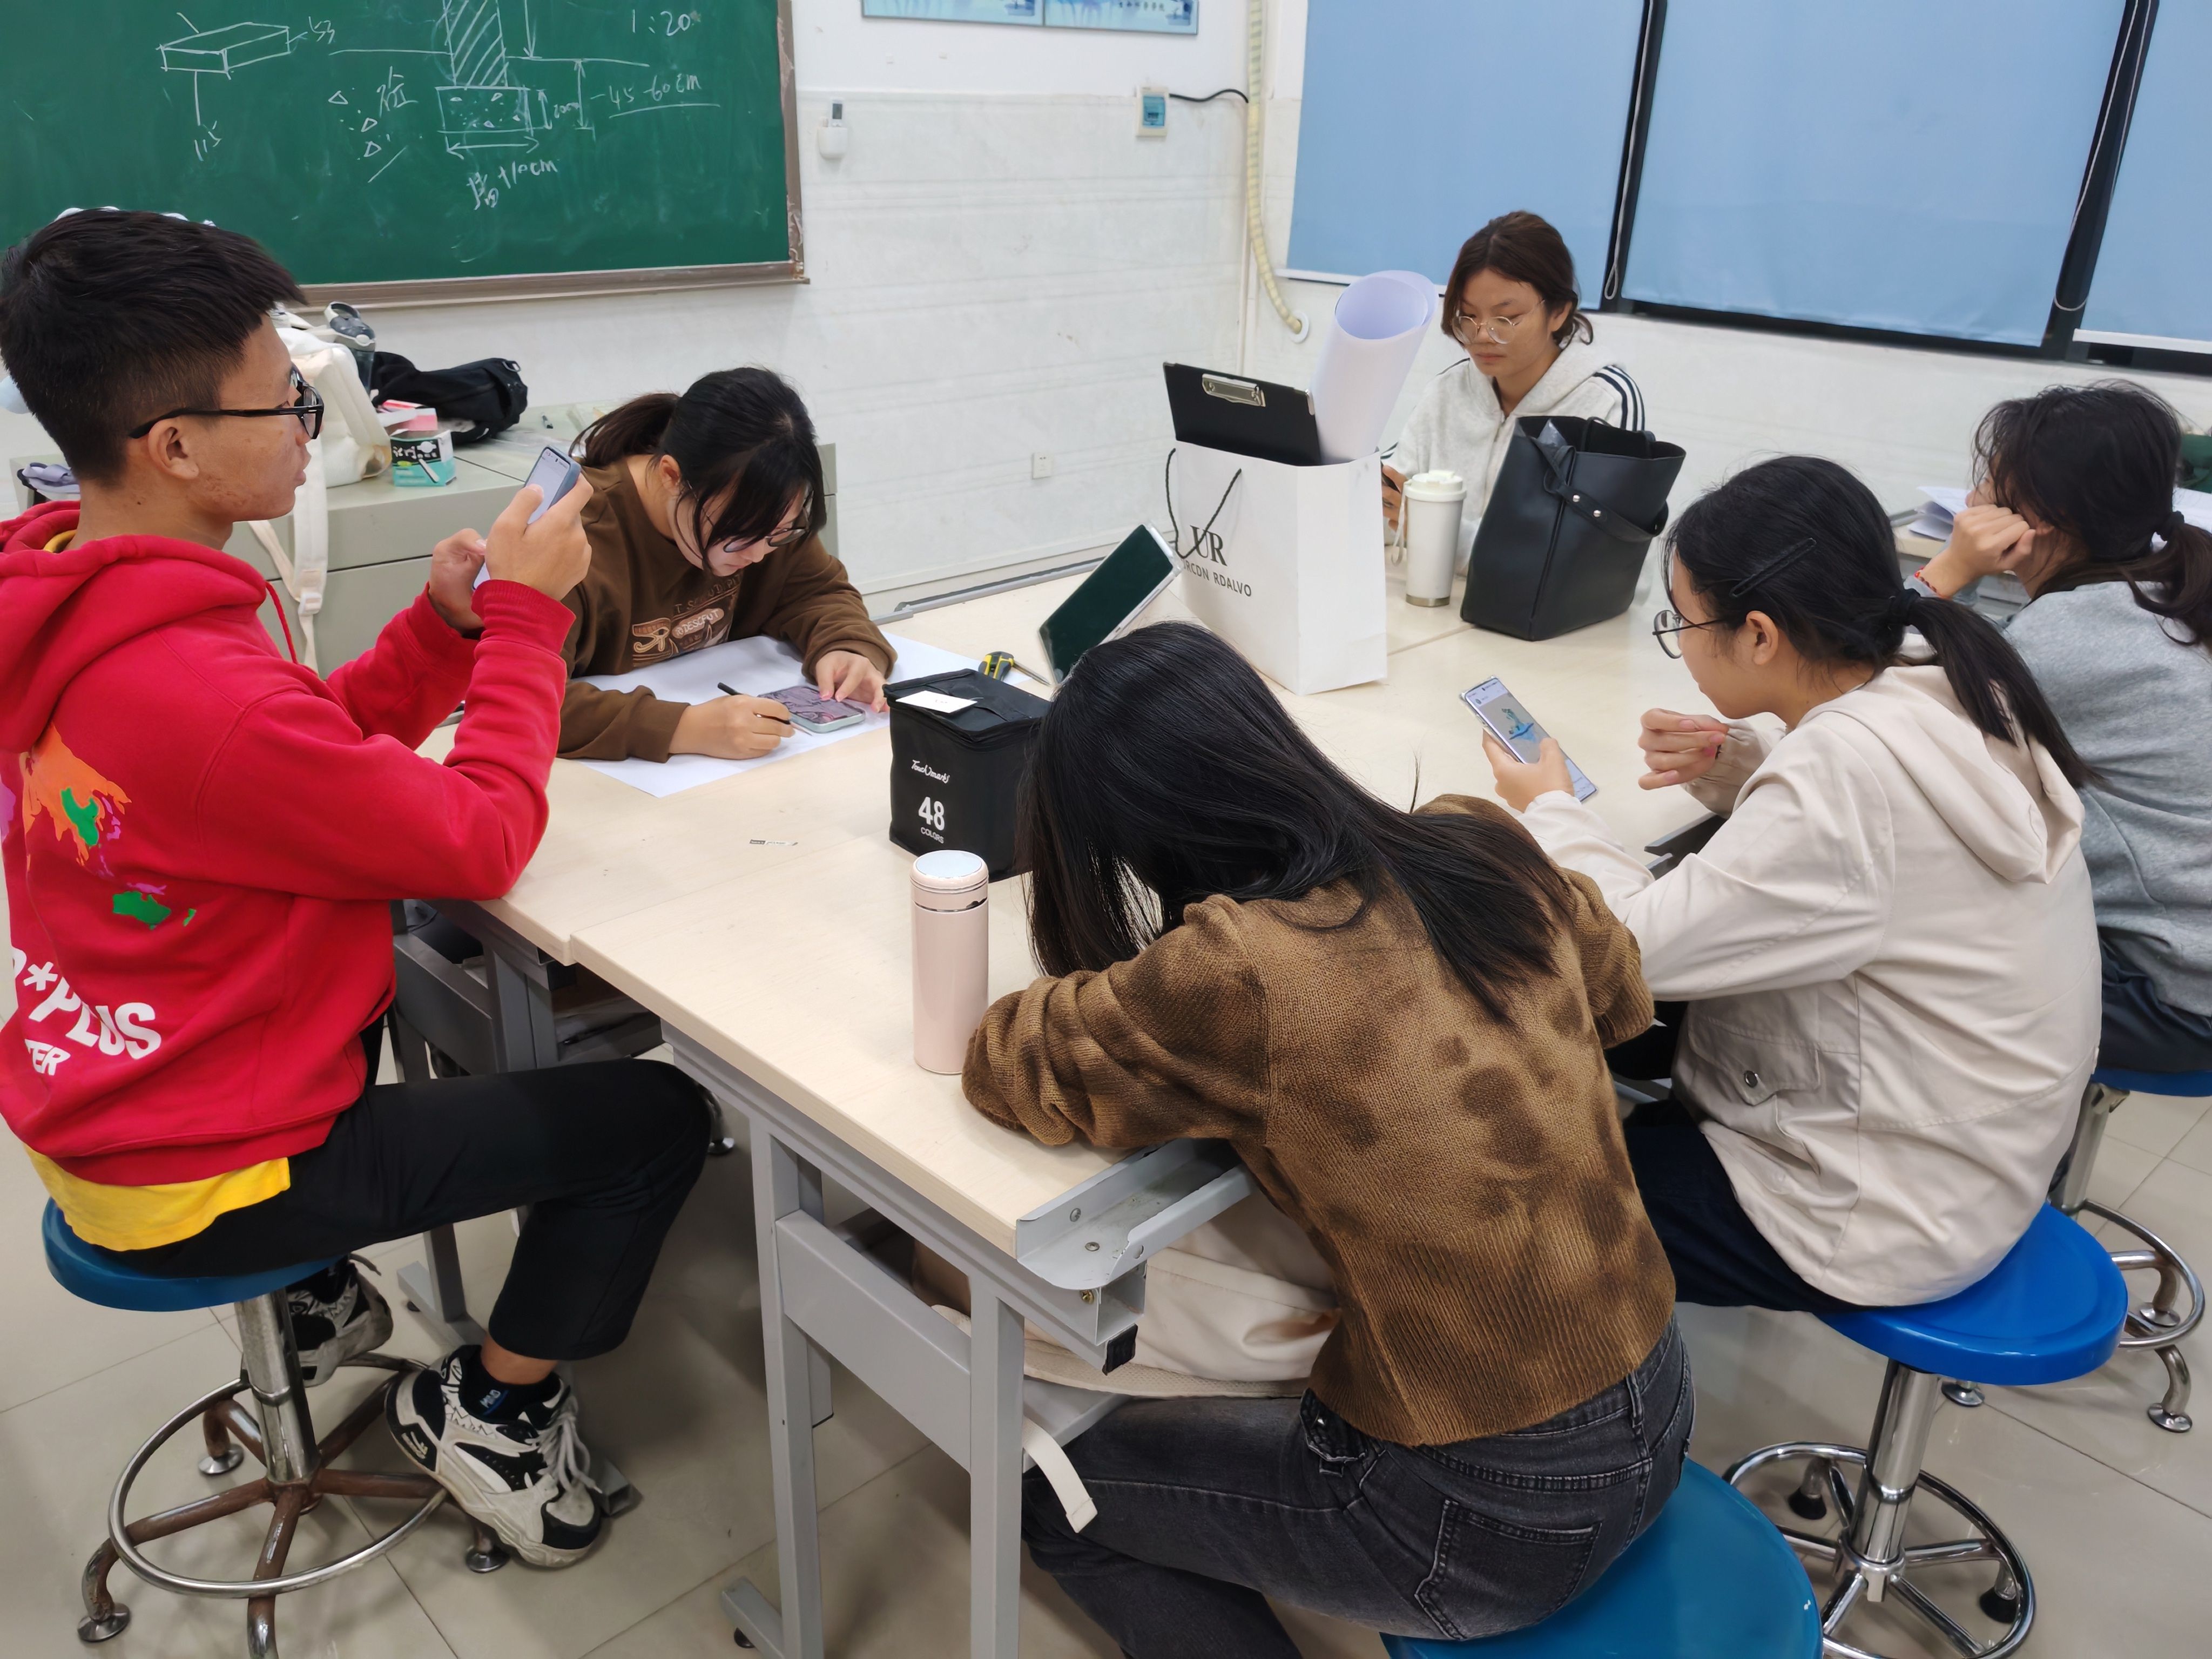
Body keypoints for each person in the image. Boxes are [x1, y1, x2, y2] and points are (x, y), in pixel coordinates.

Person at [0, 210, 709, 1568]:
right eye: (287, 402)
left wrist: (441, 631)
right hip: (203, 1164)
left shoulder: (80, 596)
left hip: (100, 1098)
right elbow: (481, 836)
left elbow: (290, 752)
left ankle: (317, 1299)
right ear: (174, 446)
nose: (310, 430)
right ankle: (494, 1412)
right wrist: (526, 621)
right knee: (654, 1116)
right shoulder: (186, 679)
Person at [962, 622, 1688, 1655]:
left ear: (1128, 835)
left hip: (1490, 1517)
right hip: (1660, 1402)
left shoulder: (1239, 966)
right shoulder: (1479, 837)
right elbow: (1620, 997)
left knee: (1059, 1495)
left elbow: (1011, 1063)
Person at [1485, 456, 2100, 1313]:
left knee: (1490, 1195)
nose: (1681, 642)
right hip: (1971, 1147)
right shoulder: (1941, 666)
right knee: (1575, 1039)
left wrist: (1551, 811)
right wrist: (1742, 762)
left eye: (1683, 621)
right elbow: (1871, 843)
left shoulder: (1845, 773)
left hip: (1877, 1211)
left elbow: (1628, 949)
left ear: (1761, 636)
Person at [1911, 381, 2212, 1073]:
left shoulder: (2065, 641)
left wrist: (1946, 570)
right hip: (2191, 967)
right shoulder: (2165, 594)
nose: (1971, 500)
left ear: (2042, 517)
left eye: (1989, 487)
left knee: (1883, 949)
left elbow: (1871, 700)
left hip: (2171, 1002)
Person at [555, 369, 894, 762]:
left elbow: (818, 594)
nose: (759, 555)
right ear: (671, 477)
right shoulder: (571, 535)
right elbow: (519, 693)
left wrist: (847, 648)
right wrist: (680, 728)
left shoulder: (765, 517)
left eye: (780, 533)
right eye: (740, 536)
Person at [1383, 210, 1645, 552]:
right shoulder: (1447, 391)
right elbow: (1390, 502)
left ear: (1559, 311)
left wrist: (1439, 532)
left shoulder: (1607, 401)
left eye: (1507, 317)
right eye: (1469, 316)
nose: (1482, 335)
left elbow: (1590, 555)